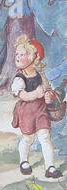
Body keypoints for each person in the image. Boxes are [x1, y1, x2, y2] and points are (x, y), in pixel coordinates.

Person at [11, 35, 62, 179]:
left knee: (45, 137)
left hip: (40, 111)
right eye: (17, 54)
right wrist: (34, 94)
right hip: (27, 112)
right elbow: (21, 95)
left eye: (22, 54)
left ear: (34, 57)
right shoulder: (19, 78)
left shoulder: (41, 76)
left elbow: (47, 90)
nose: (18, 57)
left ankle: (50, 167)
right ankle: (23, 161)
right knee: (27, 138)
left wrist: (48, 96)